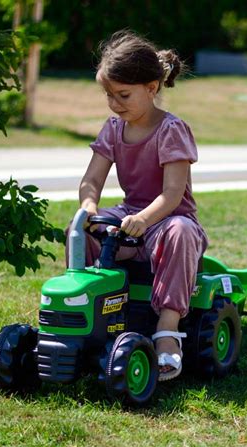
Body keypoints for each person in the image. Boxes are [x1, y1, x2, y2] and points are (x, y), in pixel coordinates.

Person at [76, 30, 208, 381]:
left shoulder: (171, 130)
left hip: (168, 217)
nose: (115, 103)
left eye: (123, 95)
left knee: (180, 232)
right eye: (108, 95)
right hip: (129, 212)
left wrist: (144, 219)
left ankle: (167, 331)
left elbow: (172, 194)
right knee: (81, 231)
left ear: (152, 88)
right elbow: (92, 180)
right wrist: (89, 206)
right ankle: (89, 314)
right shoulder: (113, 129)